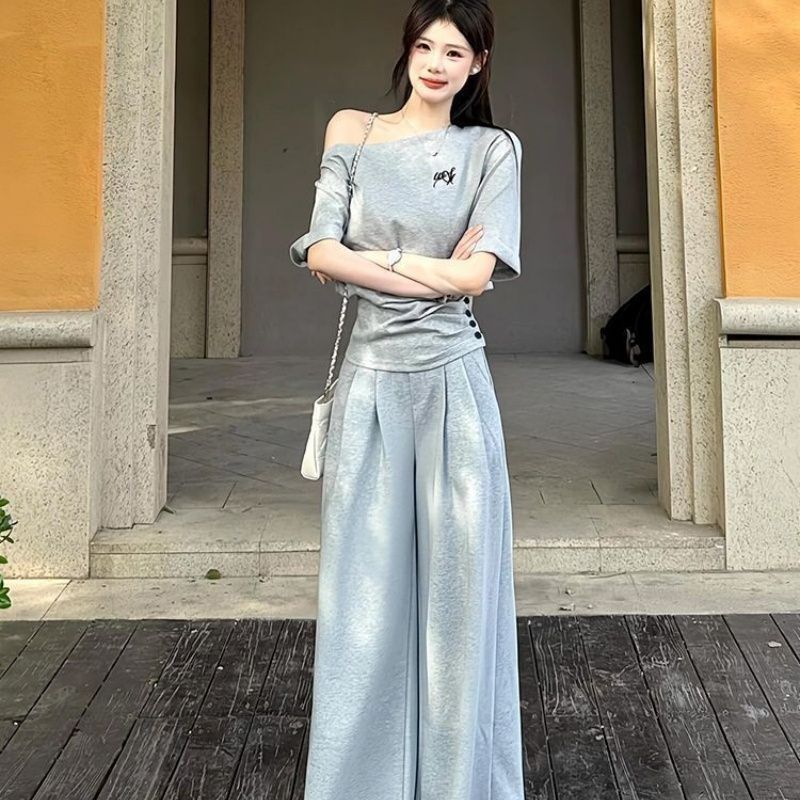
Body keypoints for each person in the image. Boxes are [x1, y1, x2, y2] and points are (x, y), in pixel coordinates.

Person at [288, 1, 524, 797]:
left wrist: (378, 261)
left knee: (459, 606)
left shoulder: (492, 149)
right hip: (370, 389)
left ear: (478, 63)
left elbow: (478, 276)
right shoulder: (351, 130)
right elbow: (319, 250)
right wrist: (427, 268)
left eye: (455, 52)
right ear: (407, 51)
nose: (435, 63)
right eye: (425, 46)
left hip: (456, 387)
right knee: (363, 604)